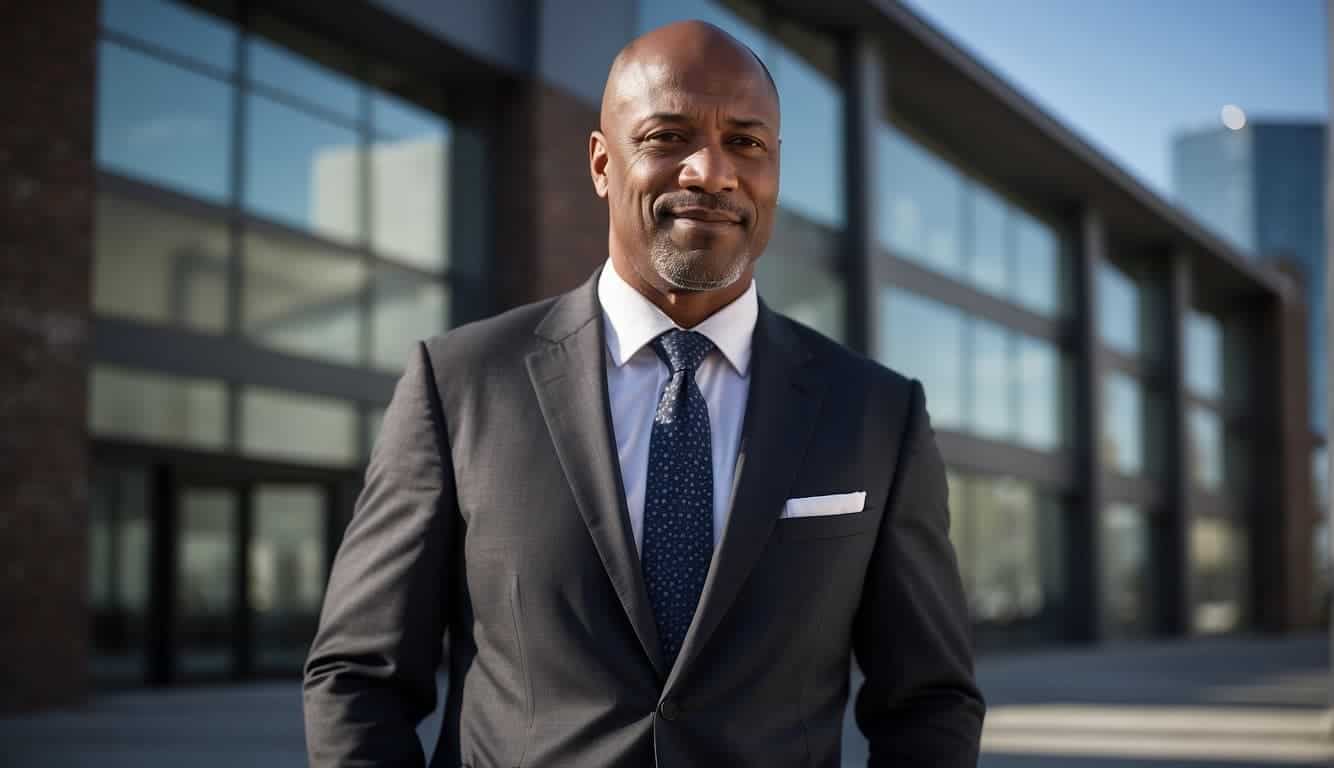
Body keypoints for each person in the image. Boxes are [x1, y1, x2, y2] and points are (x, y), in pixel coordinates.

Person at [303, 20, 984, 767]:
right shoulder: (460, 384)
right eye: (669, 135)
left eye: (746, 143)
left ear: (775, 171)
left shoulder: (877, 415)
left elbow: (929, 700)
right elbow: (358, 677)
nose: (711, 172)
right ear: (602, 162)